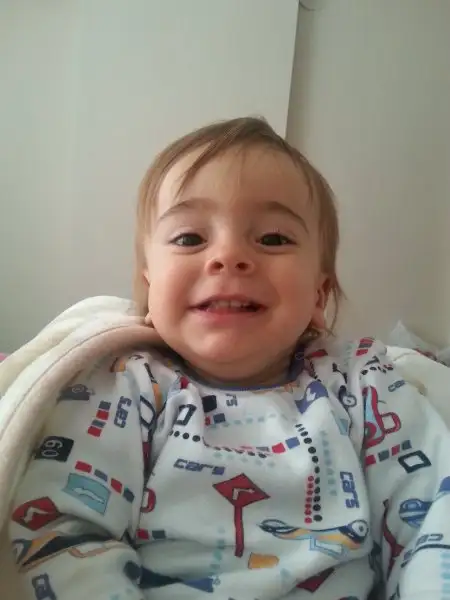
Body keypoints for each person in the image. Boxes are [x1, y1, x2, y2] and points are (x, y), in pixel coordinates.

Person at [9, 117, 450, 600]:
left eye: (273, 238)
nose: (229, 256)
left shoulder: (364, 384)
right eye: (189, 238)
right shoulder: (123, 386)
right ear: (149, 287)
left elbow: (433, 518)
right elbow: (61, 533)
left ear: (318, 295)